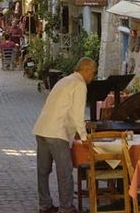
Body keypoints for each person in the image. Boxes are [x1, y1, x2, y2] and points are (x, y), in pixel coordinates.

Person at [33, 57, 97, 213]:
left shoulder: (64, 80)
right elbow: (77, 114)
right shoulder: (79, 84)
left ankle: (44, 204)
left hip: (42, 128)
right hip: (57, 132)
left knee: (43, 171)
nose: (92, 77)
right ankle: (66, 207)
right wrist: (84, 137)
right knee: (64, 171)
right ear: (86, 69)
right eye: (93, 73)